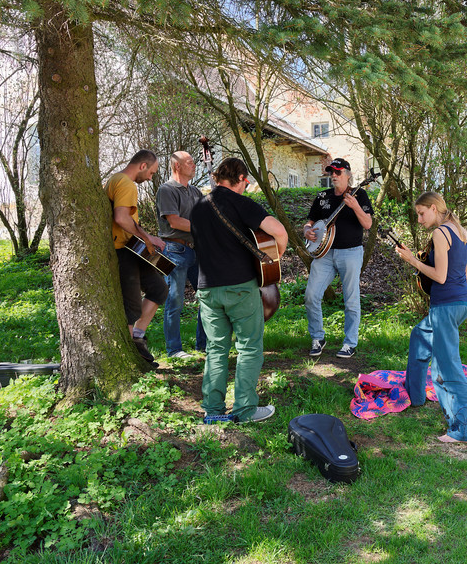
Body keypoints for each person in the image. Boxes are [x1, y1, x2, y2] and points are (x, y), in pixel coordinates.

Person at [190, 157, 288, 423]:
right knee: (249, 348)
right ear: (242, 179)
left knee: (215, 349)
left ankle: (212, 410)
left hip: (207, 289)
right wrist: (274, 258)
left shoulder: (198, 207)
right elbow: (279, 232)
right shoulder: (241, 203)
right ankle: (245, 410)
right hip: (240, 287)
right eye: (246, 182)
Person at [395, 192, 467, 444]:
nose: (419, 219)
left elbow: (440, 276)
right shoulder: (462, 231)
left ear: (433, 208)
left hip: (446, 307)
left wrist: (412, 261)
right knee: (419, 336)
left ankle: (463, 431)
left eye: (421, 213)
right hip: (462, 303)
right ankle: (415, 395)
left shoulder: (441, 233)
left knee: (446, 366)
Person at [303, 158, 373, 359]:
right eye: (331, 172)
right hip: (324, 254)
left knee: (351, 300)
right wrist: (307, 231)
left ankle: (350, 343)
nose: (333, 175)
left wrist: (355, 207)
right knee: (311, 295)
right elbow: (310, 222)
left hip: (350, 252)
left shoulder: (360, 194)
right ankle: (318, 338)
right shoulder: (322, 196)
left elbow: (368, 224)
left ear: (348, 175)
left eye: (338, 172)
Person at [105, 149, 169, 366]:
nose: (150, 177)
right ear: (142, 166)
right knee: (132, 306)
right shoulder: (126, 183)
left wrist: (146, 240)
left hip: (133, 248)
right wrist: (148, 238)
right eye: (151, 172)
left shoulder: (118, 180)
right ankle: (131, 353)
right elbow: (122, 218)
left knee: (159, 289)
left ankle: (138, 338)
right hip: (123, 251)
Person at [156, 151, 206, 359]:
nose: (194, 165)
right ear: (177, 166)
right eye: (190, 162)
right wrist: (204, 226)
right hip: (174, 250)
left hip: (196, 250)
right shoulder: (166, 189)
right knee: (175, 301)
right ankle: (174, 350)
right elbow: (174, 222)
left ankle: (203, 346)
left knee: (207, 297)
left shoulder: (195, 191)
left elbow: (207, 214)